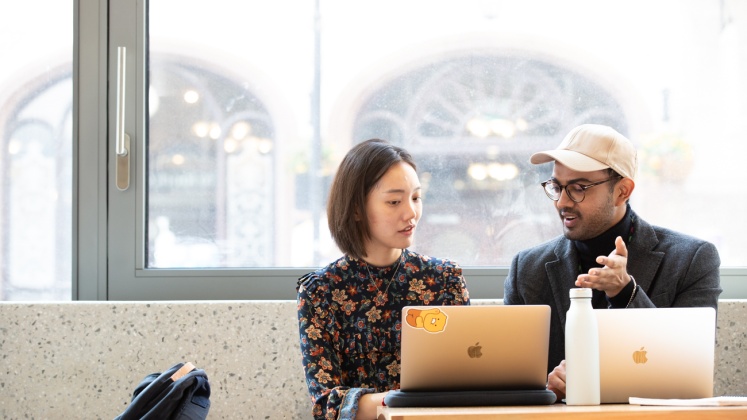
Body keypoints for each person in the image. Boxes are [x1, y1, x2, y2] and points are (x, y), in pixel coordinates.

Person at [503, 124, 722, 402]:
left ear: (622, 191)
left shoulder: (692, 259)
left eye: (579, 188)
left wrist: (625, 292)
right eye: (557, 187)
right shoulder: (528, 267)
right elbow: (512, 378)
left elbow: (690, 366)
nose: (562, 202)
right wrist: (546, 389)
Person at [297, 138, 470, 420]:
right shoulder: (320, 291)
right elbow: (327, 405)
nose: (411, 213)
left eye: (416, 197)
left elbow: (466, 375)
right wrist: (402, 400)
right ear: (356, 209)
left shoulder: (445, 279)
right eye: (394, 201)